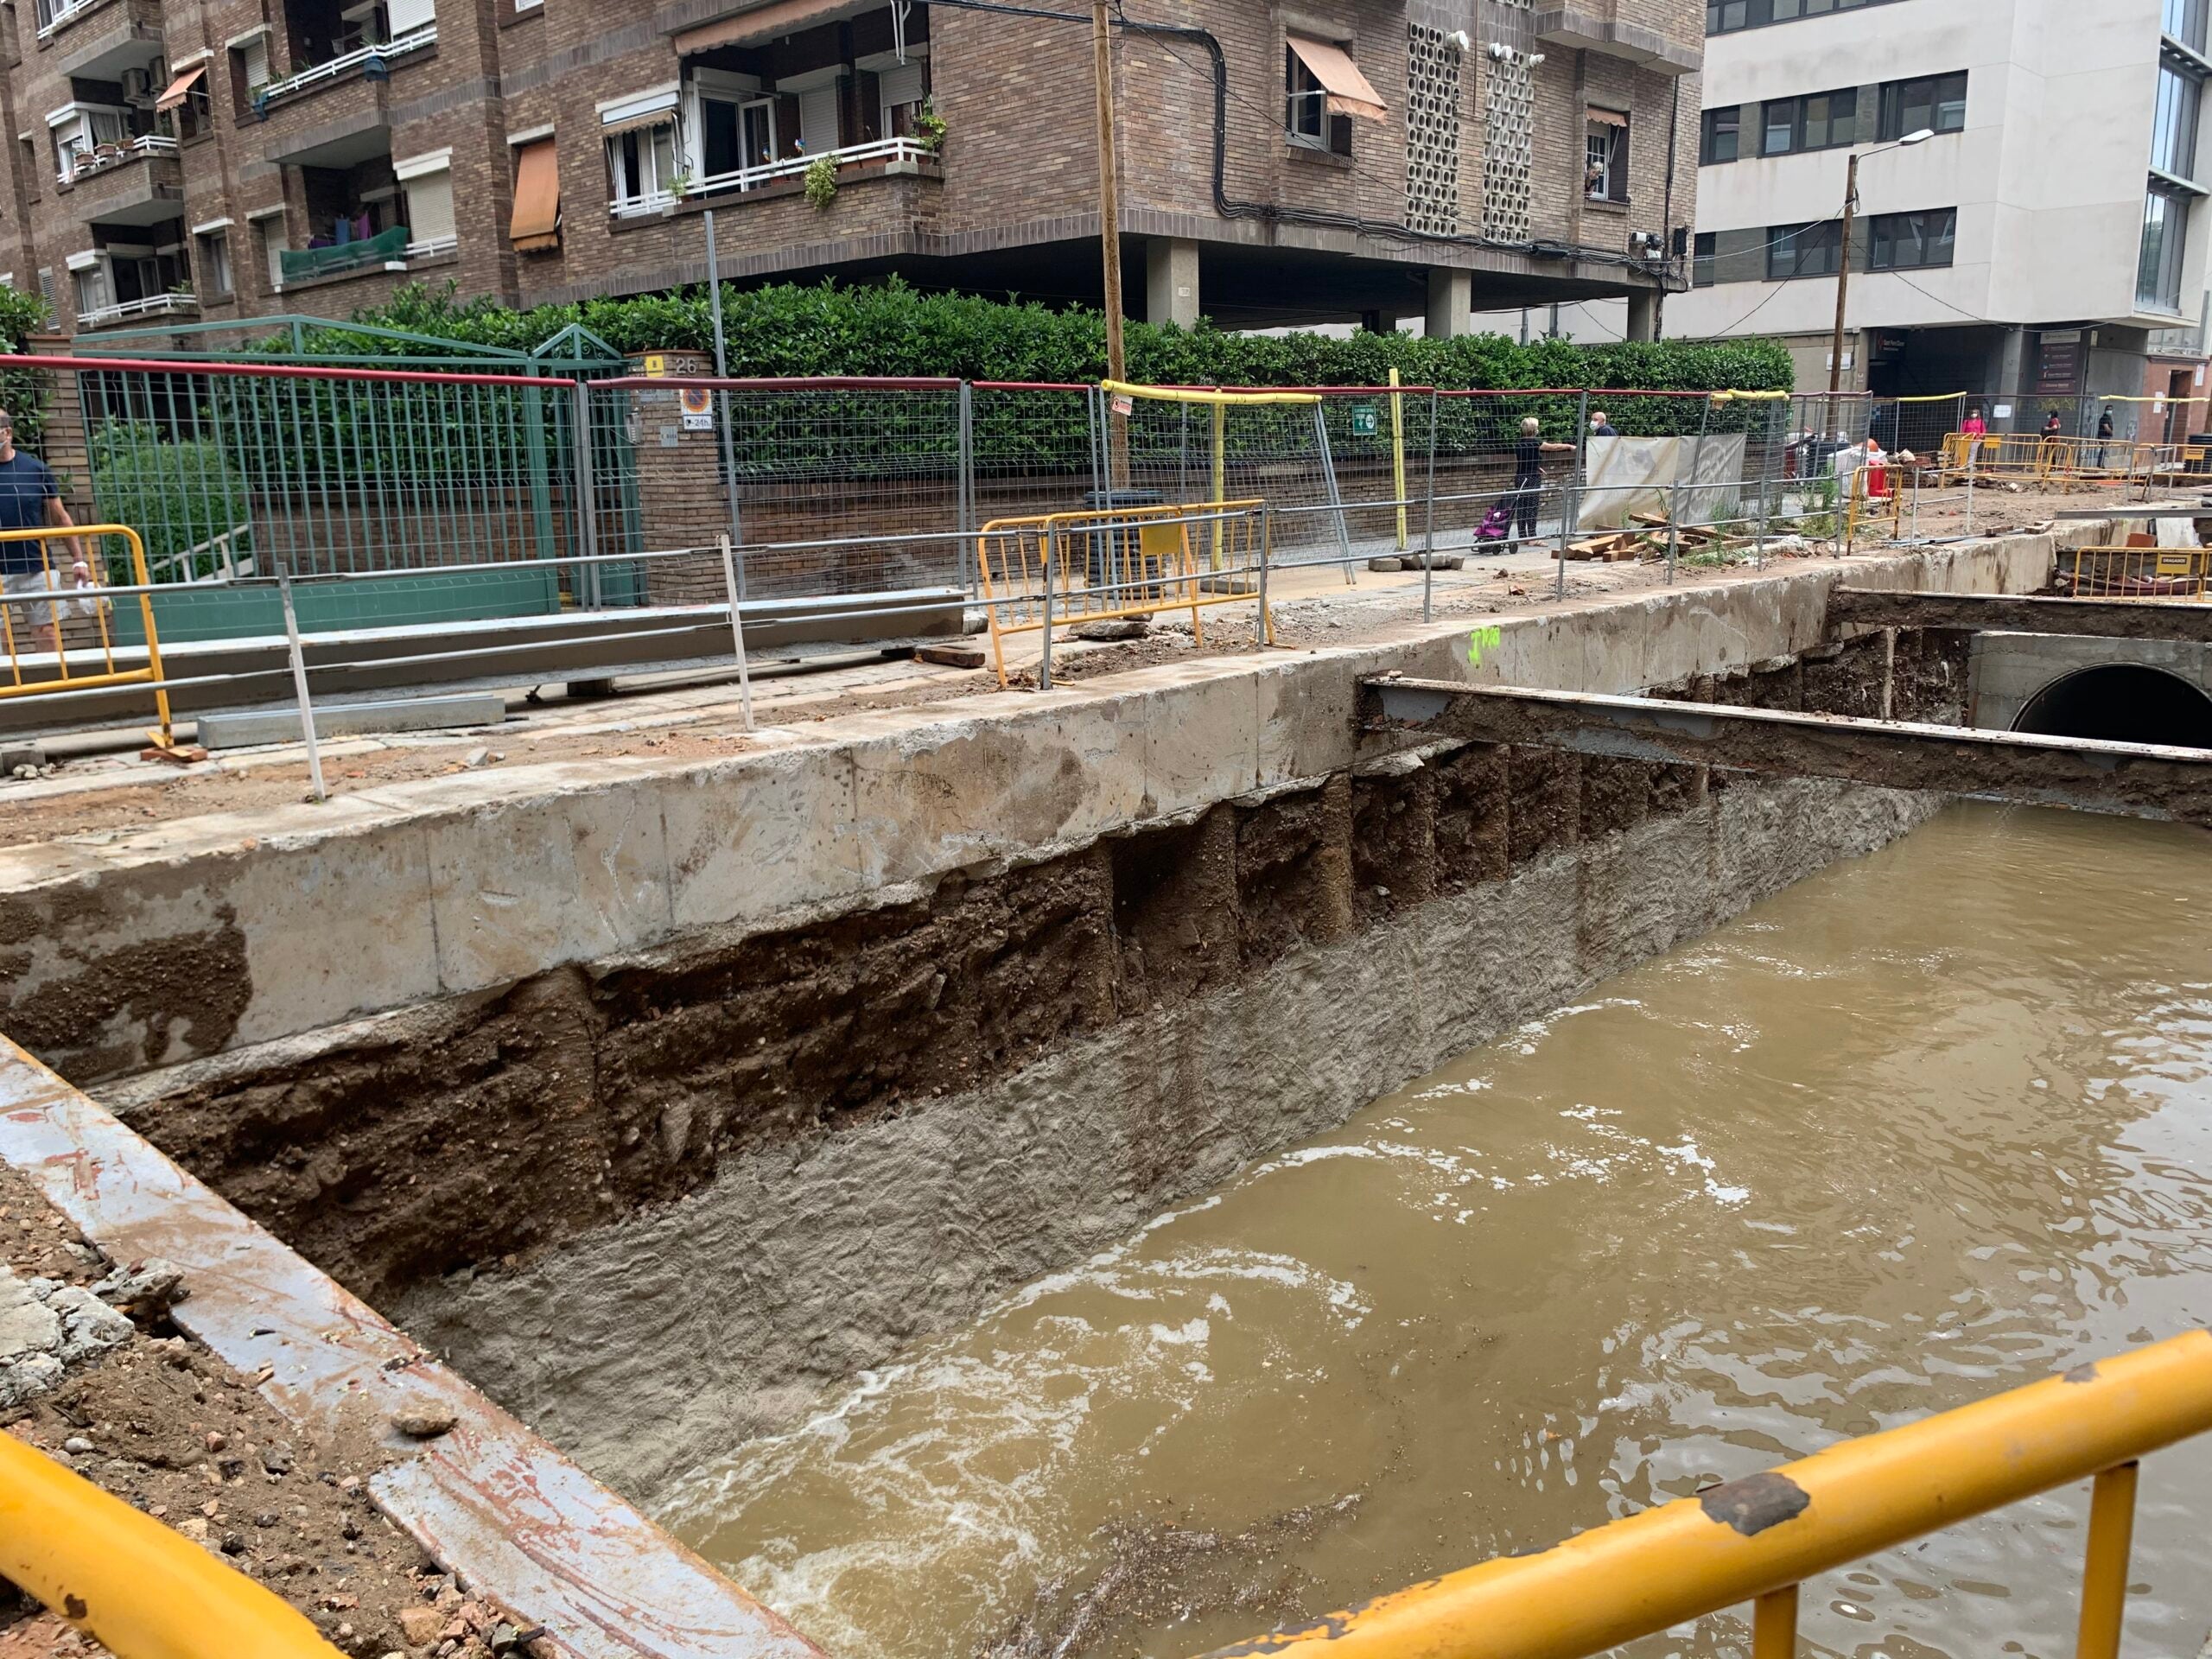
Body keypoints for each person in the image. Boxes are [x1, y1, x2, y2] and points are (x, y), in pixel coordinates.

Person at [0, 407, 85, 664]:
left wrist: (79, 560)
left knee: (46, 632)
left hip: (37, 566)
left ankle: (52, 693)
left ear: (7, 432)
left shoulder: (35, 469)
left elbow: (60, 516)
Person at [1508, 416, 1574, 544]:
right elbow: (1553, 447)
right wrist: (1569, 446)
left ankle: (1523, 536)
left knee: (1522, 506)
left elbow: (1526, 460)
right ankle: (1532, 537)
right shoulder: (1535, 443)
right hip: (1532, 478)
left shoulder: (1519, 443)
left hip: (1521, 477)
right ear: (1534, 429)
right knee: (1532, 506)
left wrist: (1537, 467)